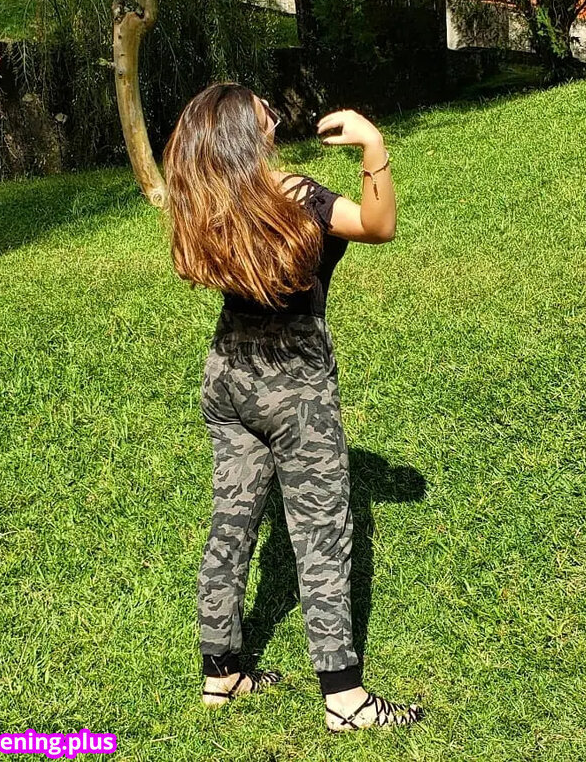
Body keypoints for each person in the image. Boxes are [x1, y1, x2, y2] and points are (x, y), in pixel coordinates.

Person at [161, 82, 424, 734]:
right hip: (294, 390)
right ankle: (345, 699)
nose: (275, 124)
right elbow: (379, 225)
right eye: (267, 118)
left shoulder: (206, 202)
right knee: (322, 536)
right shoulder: (297, 197)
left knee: (231, 521)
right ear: (248, 138)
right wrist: (373, 146)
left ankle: (221, 671)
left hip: (227, 376)